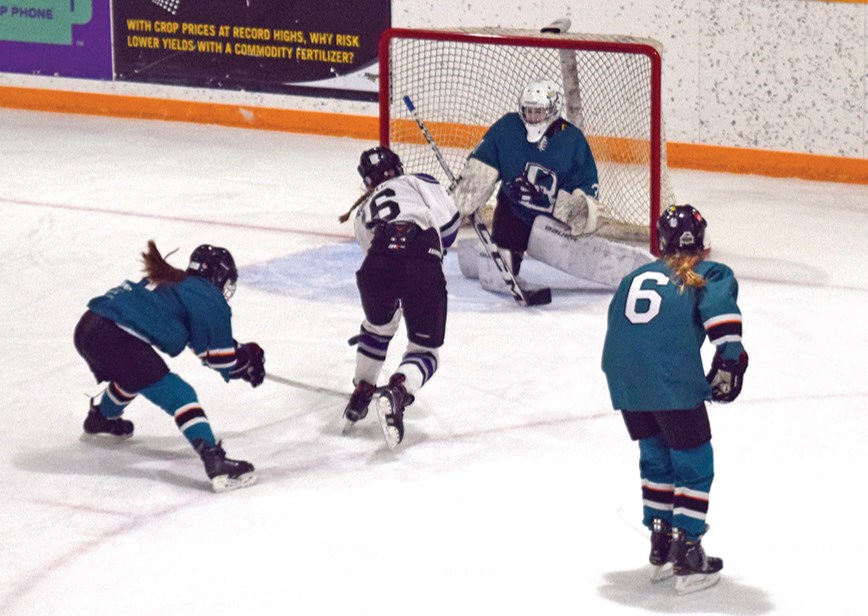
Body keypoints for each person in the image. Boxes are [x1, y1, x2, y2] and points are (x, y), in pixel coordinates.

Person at [601, 205, 749, 595]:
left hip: (624, 378)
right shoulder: (709, 273)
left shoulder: (634, 276)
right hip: (669, 378)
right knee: (694, 460)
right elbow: (720, 312)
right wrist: (731, 358)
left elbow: (618, 324)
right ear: (701, 242)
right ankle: (688, 551)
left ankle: (661, 541)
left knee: (656, 454)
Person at [73, 241, 265, 492]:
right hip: (116, 336)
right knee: (180, 394)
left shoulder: (180, 283)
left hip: (89, 327)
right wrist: (246, 360)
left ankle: (102, 417)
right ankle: (214, 459)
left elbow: (202, 346)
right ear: (218, 276)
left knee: (136, 374)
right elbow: (218, 358)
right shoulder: (207, 295)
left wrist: (239, 355)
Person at [453, 79, 651, 292]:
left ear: (553, 110)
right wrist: (471, 187)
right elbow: (484, 162)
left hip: (551, 224)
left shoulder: (571, 140)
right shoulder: (508, 128)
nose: (533, 117)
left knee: (566, 240)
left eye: (538, 112)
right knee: (496, 267)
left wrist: (578, 208)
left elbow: (586, 187)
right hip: (513, 216)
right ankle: (507, 253)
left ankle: (637, 272)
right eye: (528, 111)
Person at [342, 146, 460, 449]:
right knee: (425, 351)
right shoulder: (417, 180)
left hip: (377, 265)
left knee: (378, 327)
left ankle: (361, 392)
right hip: (421, 258)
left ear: (367, 182)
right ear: (398, 166)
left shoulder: (361, 214)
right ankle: (398, 390)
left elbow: (374, 256)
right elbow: (448, 228)